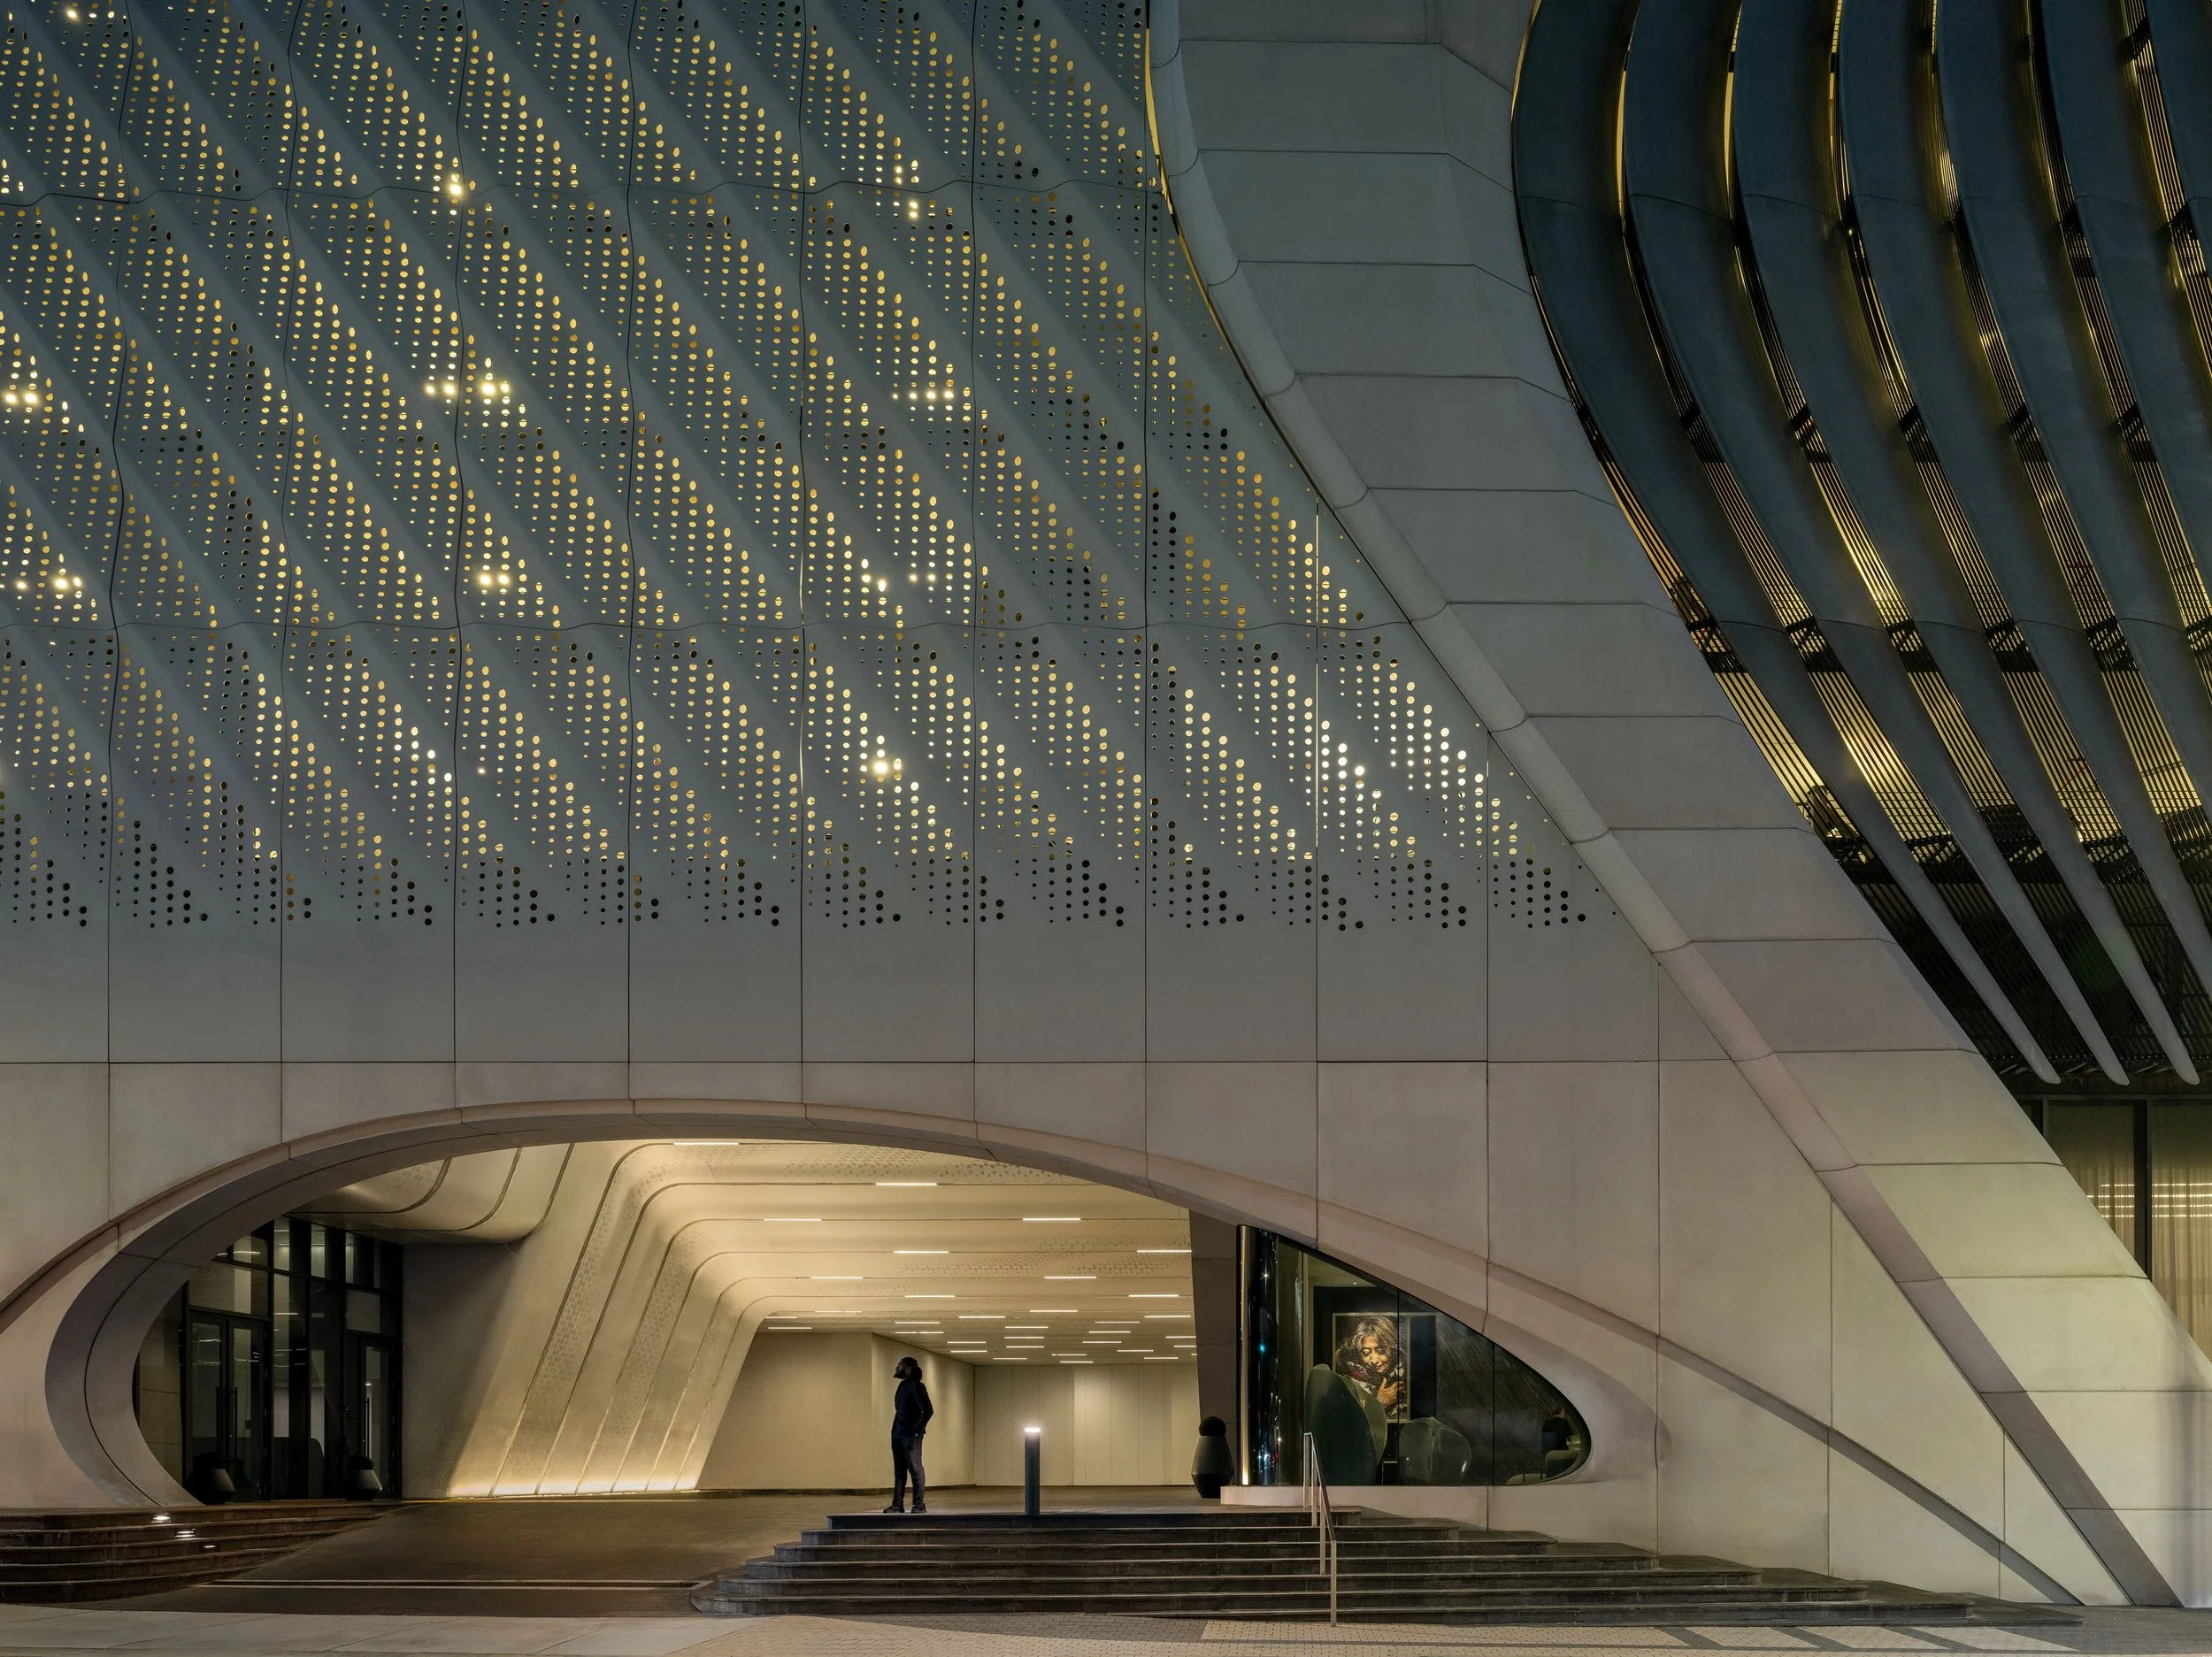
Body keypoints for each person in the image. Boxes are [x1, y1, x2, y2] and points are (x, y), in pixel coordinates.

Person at [885, 1354, 933, 1514]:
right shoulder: (903, 1386)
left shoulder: (917, 1386)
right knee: (899, 1469)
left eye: (899, 1365)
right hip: (898, 1432)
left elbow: (928, 1410)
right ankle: (897, 1504)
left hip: (911, 1434)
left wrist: (918, 1429)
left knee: (915, 1467)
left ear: (908, 1369)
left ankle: (919, 1504)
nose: (896, 1368)